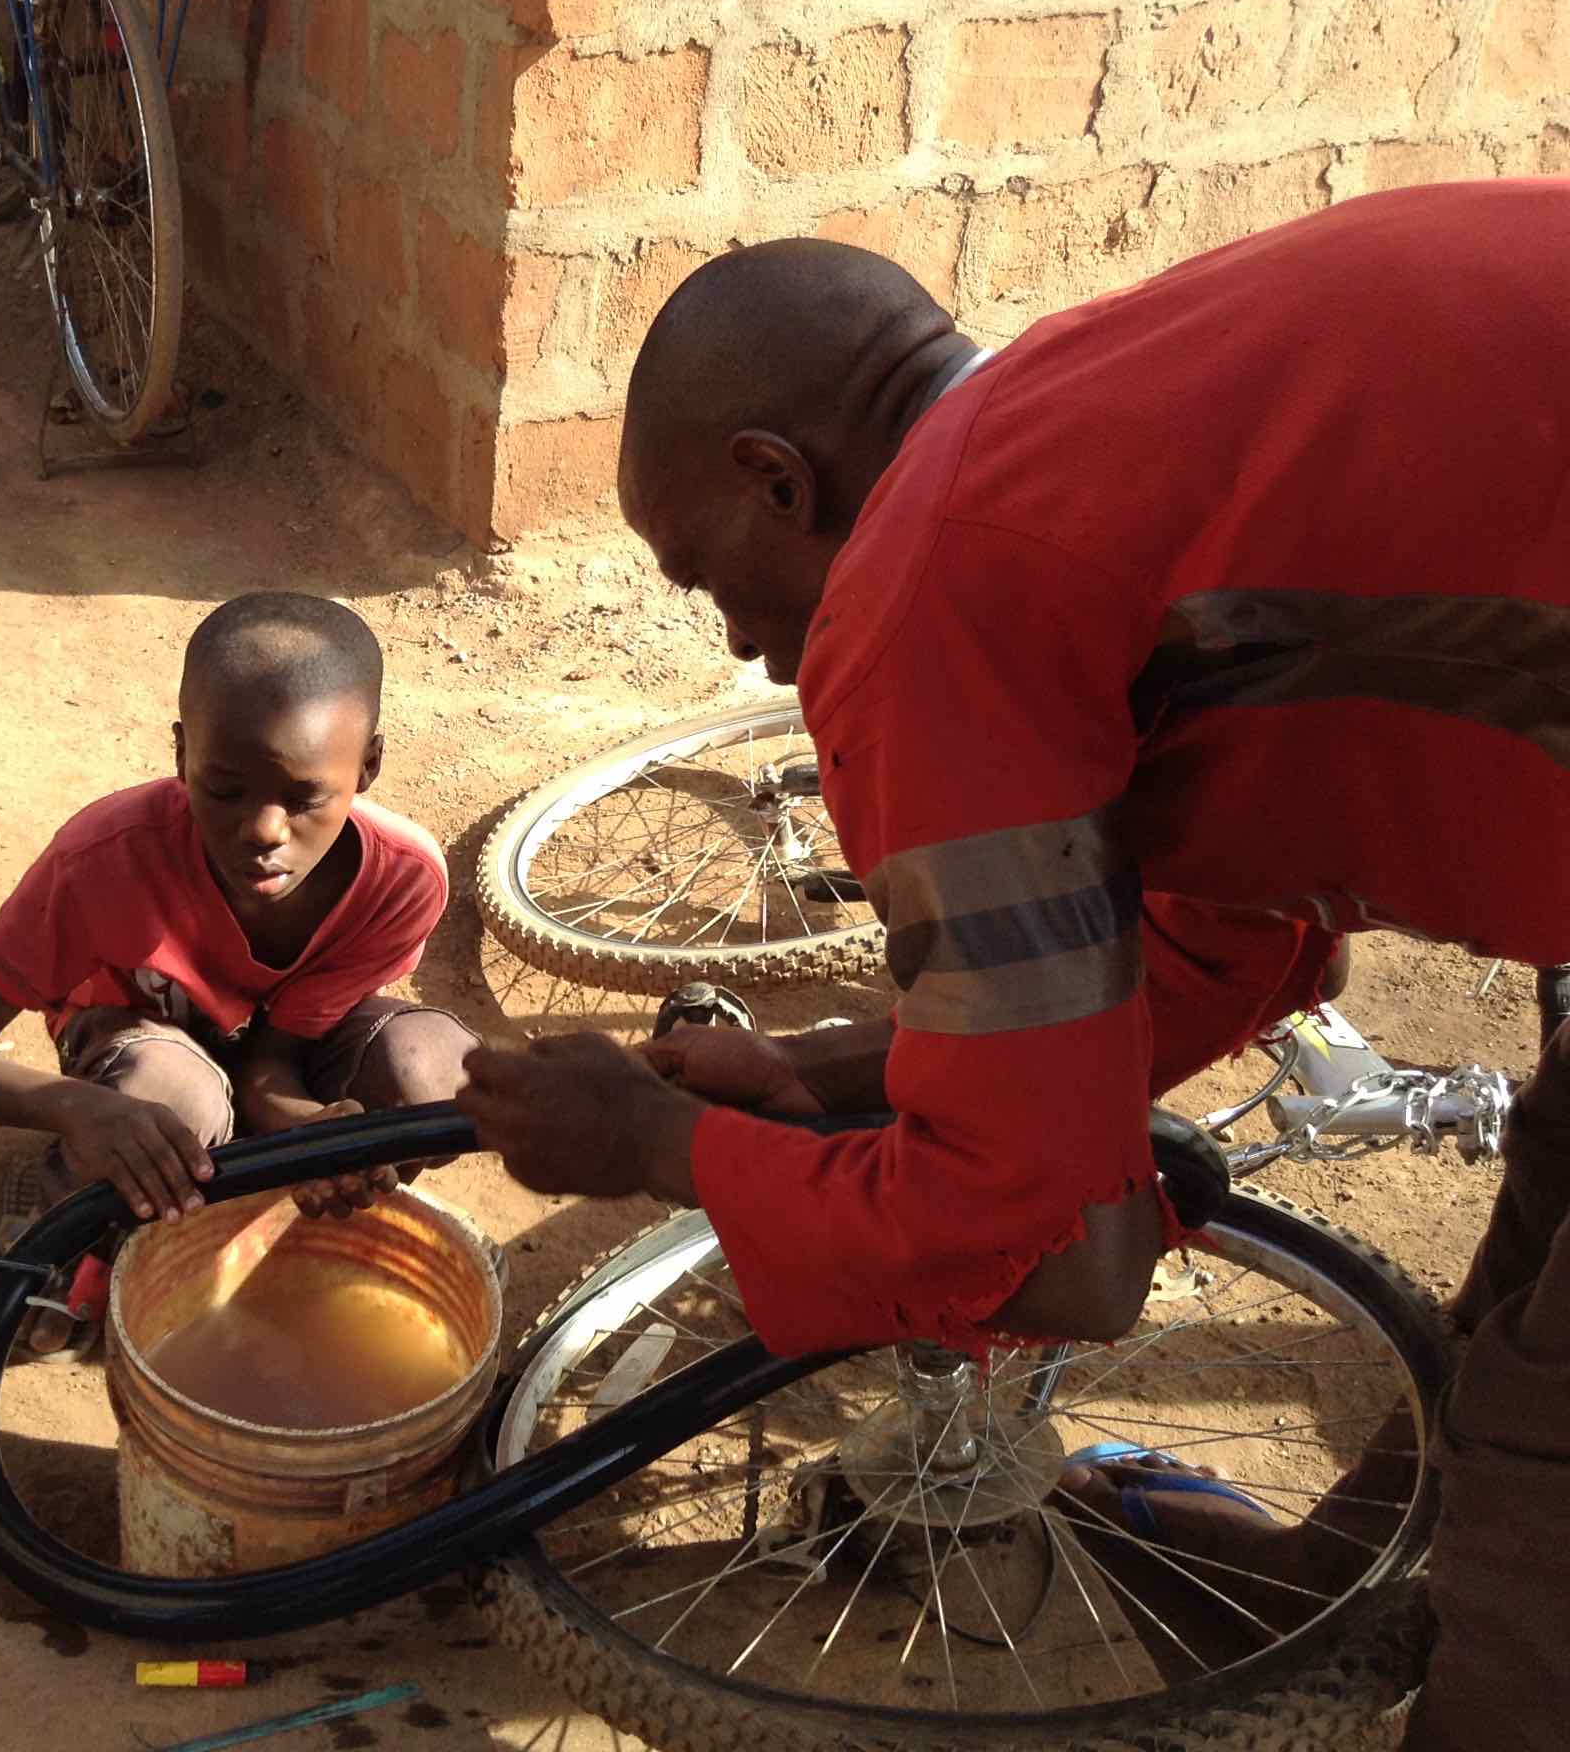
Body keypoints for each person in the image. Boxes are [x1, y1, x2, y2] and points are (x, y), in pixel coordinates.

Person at [454, 180, 1570, 1748]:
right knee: (1545, 1215)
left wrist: (654, 1145)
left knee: (1555, 1463)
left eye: (707, 579)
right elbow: (1229, 923)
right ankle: (1338, 1577)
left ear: (780, 479)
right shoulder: (1073, 435)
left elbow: (1051, 1238)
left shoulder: (929, 578)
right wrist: (818, 1073)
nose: (736, 649)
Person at [0, 592, 476, 1352]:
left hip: (280, 1059)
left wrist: (313, 1132)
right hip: (145, 1055)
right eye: (224, 790)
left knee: (433, 1077)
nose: (264, 833)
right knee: (174, 1104)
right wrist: (78, 1110)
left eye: (306, 797)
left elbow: (276, 1057)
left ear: (368, 765)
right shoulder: (103, 861)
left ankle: (279, 1215)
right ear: (180, 754)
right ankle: (73, 1208)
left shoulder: (401, 879)